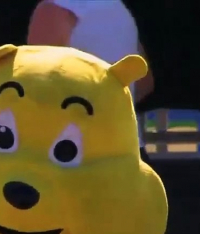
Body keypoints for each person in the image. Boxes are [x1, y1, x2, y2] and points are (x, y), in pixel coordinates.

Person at [27, 0, 154, 161]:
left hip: (75, 154)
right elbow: (144, 82)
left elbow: (36, 84)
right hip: (129, 150)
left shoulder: (58, 8)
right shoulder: (120, 10)